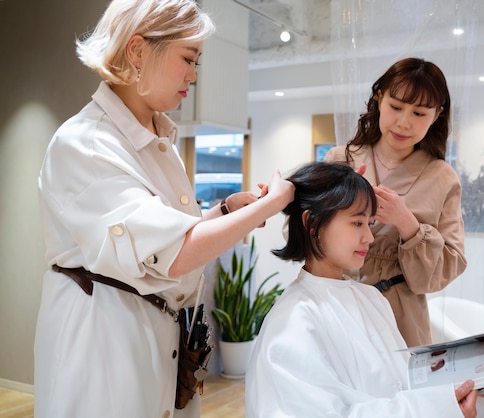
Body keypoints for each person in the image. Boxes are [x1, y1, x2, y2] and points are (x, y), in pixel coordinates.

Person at [34, 1, 294, 417]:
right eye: (187, 59)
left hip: (154, 334)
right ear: (137, 51)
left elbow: (165, 236)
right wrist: (279, 200)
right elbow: (172, 253)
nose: (193, 75)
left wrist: (226, 213)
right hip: (105, 339)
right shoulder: (85, 143)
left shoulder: (158, 139)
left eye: (198, 62)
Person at [246, 161, 484, 418]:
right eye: (357, 223)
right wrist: (444, 406)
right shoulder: (294, 320)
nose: (369, 237)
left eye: (370, 223)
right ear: (312, 224)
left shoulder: (370, 297)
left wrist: (473, 388)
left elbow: (406, 387)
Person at [324, 57, 466, 347]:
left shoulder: (442, 178)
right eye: (396, 107)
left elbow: (448, 267)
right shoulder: (341, 160)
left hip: (400, 318)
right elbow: (303, 233)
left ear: (437, 114)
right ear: (380, 99)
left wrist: (407, 223)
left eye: (419, 113)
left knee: (395, 391)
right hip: (337, 305)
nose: (404, 122)